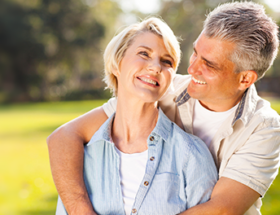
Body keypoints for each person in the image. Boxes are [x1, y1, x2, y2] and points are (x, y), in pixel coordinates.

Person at [48, 2, 280, 215]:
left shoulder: (264, 128)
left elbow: (221, 210)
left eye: (209, 65)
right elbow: (65, 136)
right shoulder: (163, 88)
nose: (192, 69)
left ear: (245, 79)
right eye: (196, 53)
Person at [54, 17, 217, 215]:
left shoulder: (191, 154)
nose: (156, 67)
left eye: (167, 62)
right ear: (116, 65)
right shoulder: (81, 157)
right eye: (144, 54)